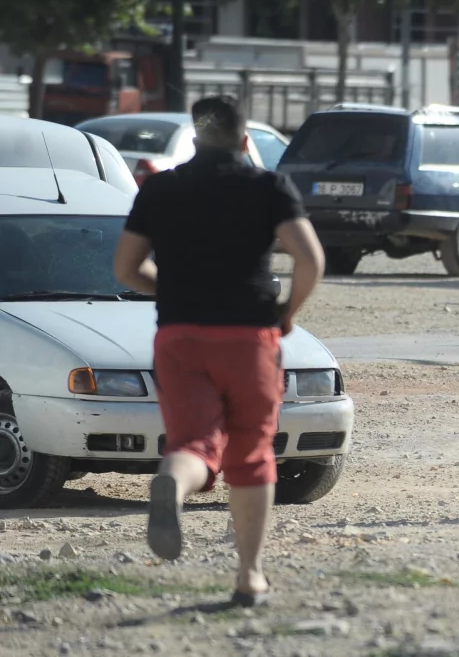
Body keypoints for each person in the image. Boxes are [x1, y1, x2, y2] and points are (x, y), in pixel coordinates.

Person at [113, 95, 325, 606]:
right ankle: (249, 576)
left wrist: (173, 289)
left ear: (194, 136)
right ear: (245, 138)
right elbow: (311, 259)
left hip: (180, 336)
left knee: (193, 443)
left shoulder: (161, 187)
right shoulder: (267, 186)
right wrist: (287, 314)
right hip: (248, 337)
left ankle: (172, 483)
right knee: (250, 452)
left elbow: (125, 268)